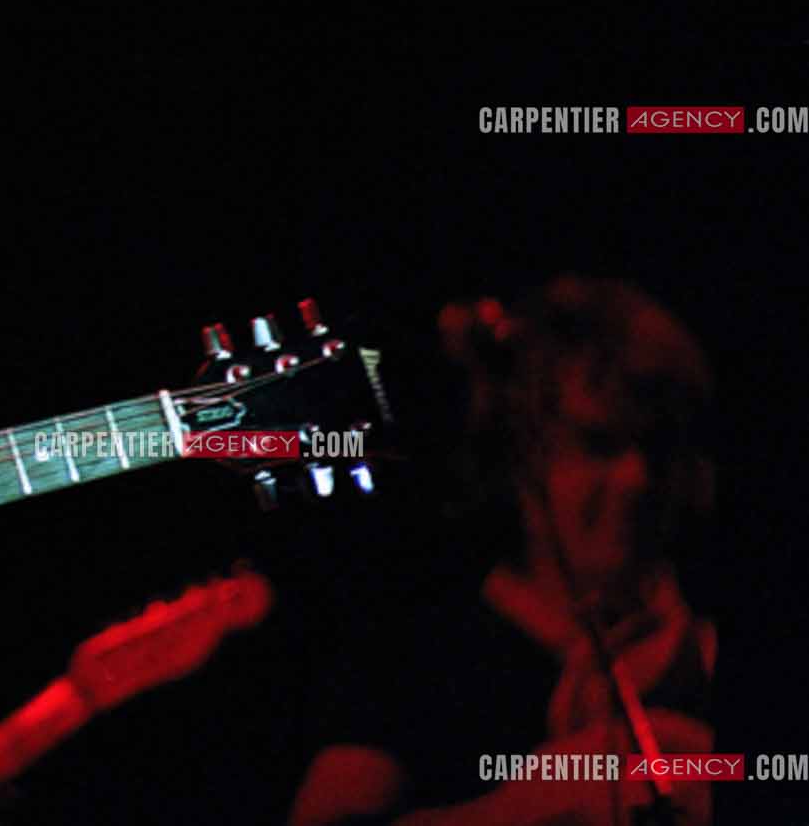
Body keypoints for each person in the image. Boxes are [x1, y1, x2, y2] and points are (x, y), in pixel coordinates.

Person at [287, 277, 717, 826]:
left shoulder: (706, 649)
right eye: (598, 445)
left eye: (657, 446)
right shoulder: (417, 648)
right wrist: (544, 799)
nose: (637, 479)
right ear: (519, 454)